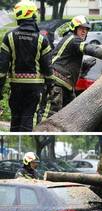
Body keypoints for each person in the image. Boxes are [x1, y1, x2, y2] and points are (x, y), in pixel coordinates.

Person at [47, 15, 102, 117]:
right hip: (57, 84)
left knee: (72, 115)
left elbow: (67, 60)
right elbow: (92, 49)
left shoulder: (71, 39)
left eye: (86, 29)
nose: (84, 31)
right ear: (74, 29)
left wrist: (83, 66)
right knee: (51, 114)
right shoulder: (73, 39)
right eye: (81, 28)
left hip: (65, 86)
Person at [0, 0, 53, 131]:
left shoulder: (9, 37)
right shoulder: (42, 39)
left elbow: (2, 67)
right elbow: (47, 67)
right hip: (35, 88)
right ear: (31, 15)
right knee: (29, 119)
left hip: (16, 87)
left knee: (15, 119)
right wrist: (50, 84)